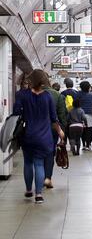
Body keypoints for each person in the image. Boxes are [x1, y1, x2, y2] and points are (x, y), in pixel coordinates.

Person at [13, 69, 65, 204]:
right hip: (44, 136)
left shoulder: (22, 95)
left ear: (31, 80)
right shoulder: (48, 96)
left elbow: (16, 113)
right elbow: (54, 118)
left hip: (28, 135)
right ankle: (39, 194)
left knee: (28, 163)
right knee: (39, 164)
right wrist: (60, 132)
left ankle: (29, 190)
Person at [43, 81, 67, 189]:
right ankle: (47, 178)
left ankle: (37, 182)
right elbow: (62, 115)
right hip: (52, 129)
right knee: (49, 153)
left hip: (33, 130)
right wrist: (62, 131)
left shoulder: (30, 93)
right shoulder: (58, 95)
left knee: (37, 156)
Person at [79, 81, 92, 151]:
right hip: (89, 115)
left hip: (80, 115)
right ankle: (88, 144)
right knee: (89, 131)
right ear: (88, 87)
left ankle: (84, 144)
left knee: (82, 131)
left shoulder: (78, 94)